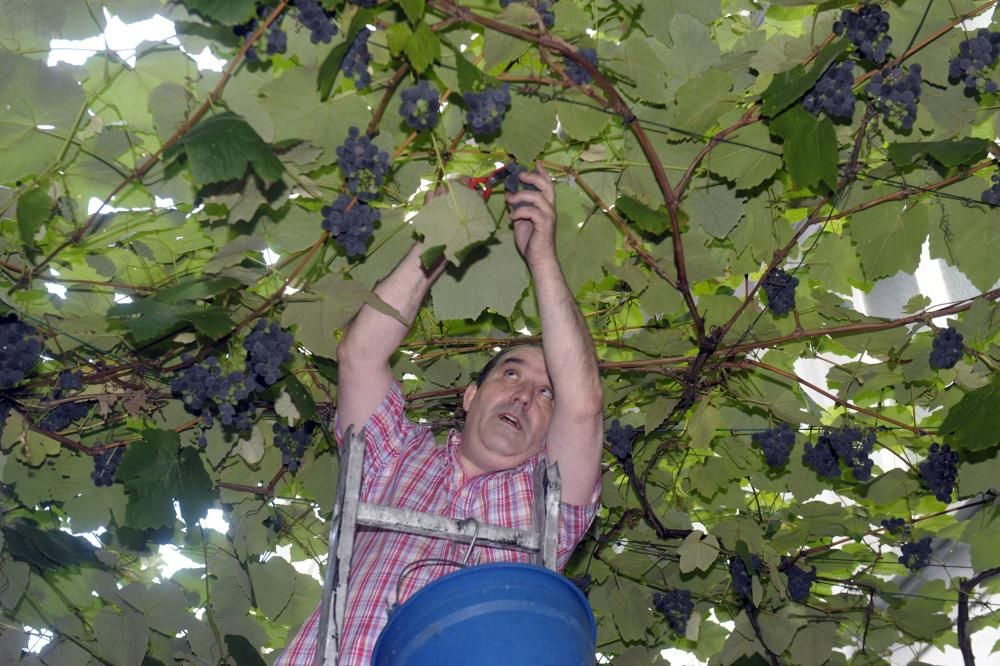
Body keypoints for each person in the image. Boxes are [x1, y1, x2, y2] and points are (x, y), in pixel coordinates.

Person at [276, 167, 604, 665]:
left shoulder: (547, 503)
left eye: (546, 394)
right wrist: (441, 233)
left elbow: (584, 407)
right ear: (470, 396)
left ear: (550, 430)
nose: (523, 398)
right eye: (511, 375)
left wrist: (541, 258)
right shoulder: (393, 455)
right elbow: (361, 355)